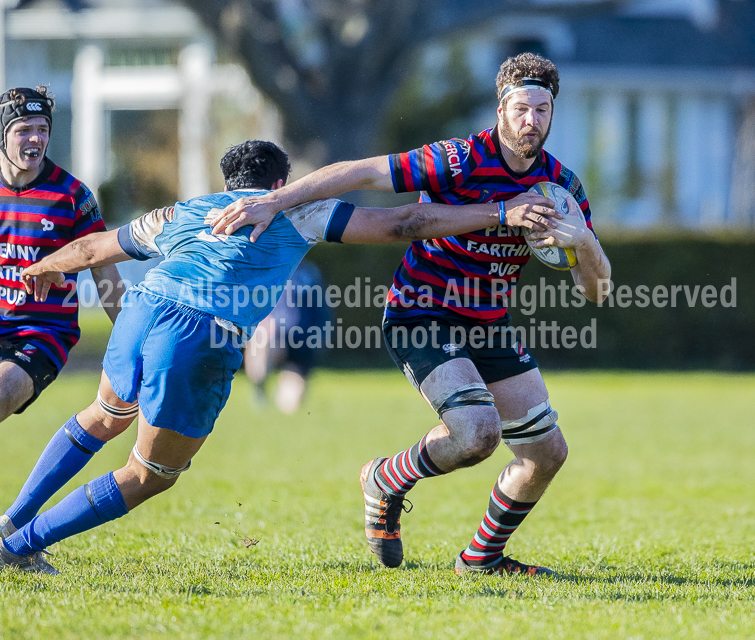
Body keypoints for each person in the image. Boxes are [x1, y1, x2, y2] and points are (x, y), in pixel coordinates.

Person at [0, 139, 557, 574]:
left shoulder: (185, 211)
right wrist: (501, 212)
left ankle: (12, 522)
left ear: (228, 183)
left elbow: (94, 248)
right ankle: (19, 544)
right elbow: (402, 223)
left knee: (102, 417)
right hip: (199, 331)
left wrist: (42, 267)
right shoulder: (297, 210)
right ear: (281, 184)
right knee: (150, 474)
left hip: (144, 310)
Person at [211, 54, 612, 576]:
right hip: (421, 310)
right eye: (520, 108)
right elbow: (362, 171)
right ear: (501, 108)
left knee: (547, 453)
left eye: (542, 109)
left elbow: (597, 292)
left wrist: (584, 243)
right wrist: (275, 201)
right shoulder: (460, 159)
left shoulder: (563, 188)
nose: (530, 120)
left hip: (488, 321)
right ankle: (384, 478)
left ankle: (480, 559)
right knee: (477, 435)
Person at [0, 86, 124, 423]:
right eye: (24, 129)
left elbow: (106, 274)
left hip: (41, 334)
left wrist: (134, 341)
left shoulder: (71, 196)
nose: (36, 139)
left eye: (42, 129)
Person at [244, 260, 330, 413]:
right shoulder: (270, 266)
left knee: (290, 406)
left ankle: (283, 387)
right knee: (260, 338)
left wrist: (323, 334)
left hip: (304, 340)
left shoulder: (310, 272)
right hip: (275, 335)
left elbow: (322, 308)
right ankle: (260, 386)